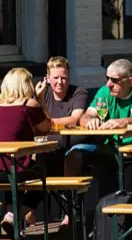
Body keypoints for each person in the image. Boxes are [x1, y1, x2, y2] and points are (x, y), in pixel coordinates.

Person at [0, 68, 52, 239]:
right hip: (5, 169)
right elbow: (46, 127)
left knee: (13, 168)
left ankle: (9, 216)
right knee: (45, 174)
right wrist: (40, 99)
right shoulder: (29, 104)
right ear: (26, 85)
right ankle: (17, 216)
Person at [73, 59, 132, 196]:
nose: (109, 84)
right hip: (113, 151)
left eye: (114, 80)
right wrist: (90, 121)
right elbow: (85, 116)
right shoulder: (105, 92)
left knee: (130, 181)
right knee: (90, 161)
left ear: (130, 81)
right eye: (107, 78)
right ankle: (107, 213)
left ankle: (130, 213)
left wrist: (122, 122)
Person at [35, 56, 90, 227]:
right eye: (56, 78)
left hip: (71, 147)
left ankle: (70, 215)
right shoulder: (42, 96)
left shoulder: (78, 92)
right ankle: (20, 213)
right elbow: (33, 123)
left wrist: (47, 124)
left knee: (71, 160)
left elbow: (75, 119)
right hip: (47, 149)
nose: (60, 82)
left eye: (64, 77)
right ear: (47, 78)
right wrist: (39, 99)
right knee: (26, 164)